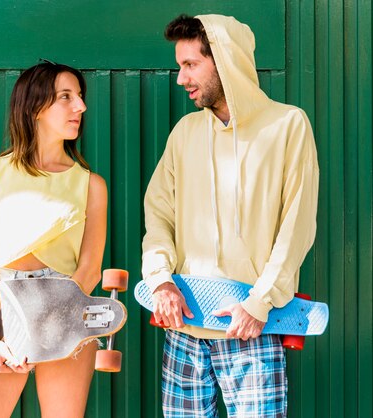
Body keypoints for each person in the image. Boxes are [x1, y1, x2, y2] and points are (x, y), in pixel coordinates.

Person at [142, 14, 319, 417]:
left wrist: (260, 302)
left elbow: (297, 226)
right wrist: (160, 281)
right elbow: (158, 216)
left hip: (251, 324)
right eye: (179, 65)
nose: (180, 78)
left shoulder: (288, 126)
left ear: (224, 59)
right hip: (185, 327)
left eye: (190, 65)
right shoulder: (185, 133)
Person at [0, 61, 108, 418]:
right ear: (35, 107)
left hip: (67, 314)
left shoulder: (91, 185)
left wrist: (46, 326)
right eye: (66, 97)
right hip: (0, 314)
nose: (80, 107)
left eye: (80, 97)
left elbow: (90, 269)